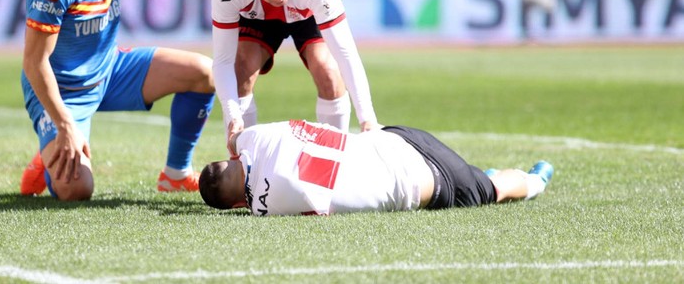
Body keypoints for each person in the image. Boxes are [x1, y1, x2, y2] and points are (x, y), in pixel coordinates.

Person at [19, 0, 216, 201]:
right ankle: (48, 157)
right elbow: (34, 62)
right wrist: (65, 124)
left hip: (110, 69)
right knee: (77, 189)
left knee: (204, 73)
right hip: (65, 92)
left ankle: (176, 175)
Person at [210, 0, 380, 157]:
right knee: (241, 68)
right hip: (258, 15)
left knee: (327, 69)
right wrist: (232, 115)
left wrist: (367, 118)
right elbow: (222, 61)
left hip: (307, 9)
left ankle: (335, 159)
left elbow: (346, 53)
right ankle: (244, 162)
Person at [199, 119, 555, 216]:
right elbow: (237, 139)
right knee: (479, 180)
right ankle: (512, 176)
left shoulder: (269, 207)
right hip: (396, 136)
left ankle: (536, 180)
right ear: (230, 161)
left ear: (236, 206)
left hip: (427, 181)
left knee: (492, 191)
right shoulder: (258, 139)